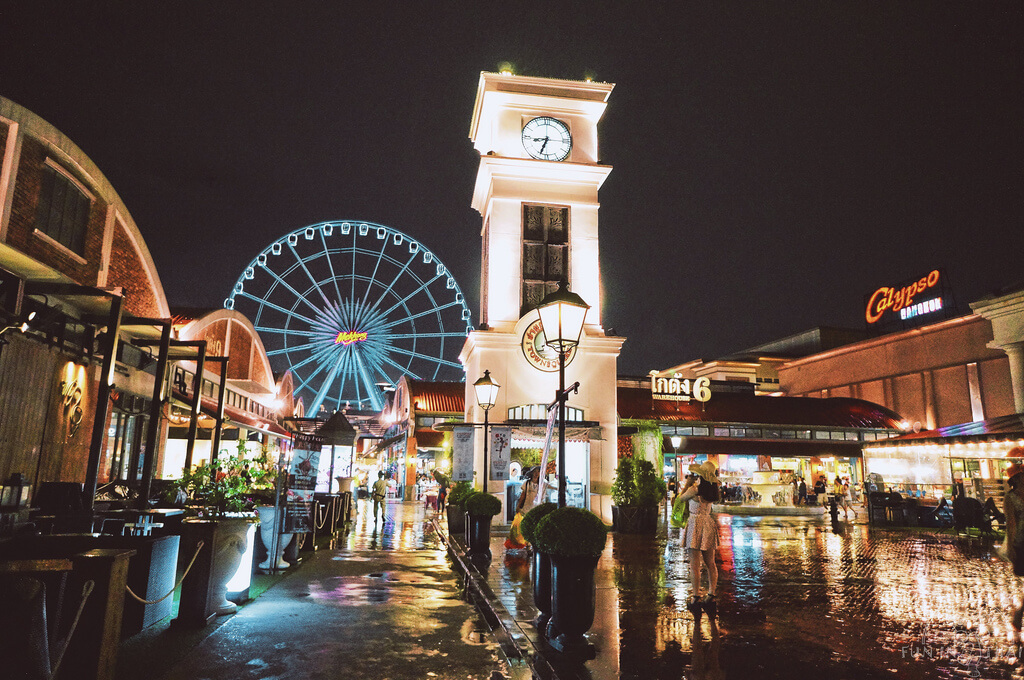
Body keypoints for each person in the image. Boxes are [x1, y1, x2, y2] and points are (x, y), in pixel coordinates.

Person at [679, 461, 721, 618]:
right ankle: (711, 595)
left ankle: (696, 597)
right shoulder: (712, 491)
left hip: (695, 524)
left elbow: (680, 499)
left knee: (695, 565)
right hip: (708, 523)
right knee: (711, 563)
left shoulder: (694, 490)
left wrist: (688, 483)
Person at [1003, 460, 1024, 634]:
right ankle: (1018, 614)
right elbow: (1011, 523)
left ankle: (1019, 614)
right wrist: (1010, 546)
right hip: (1021, 541)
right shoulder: (1010, 498)